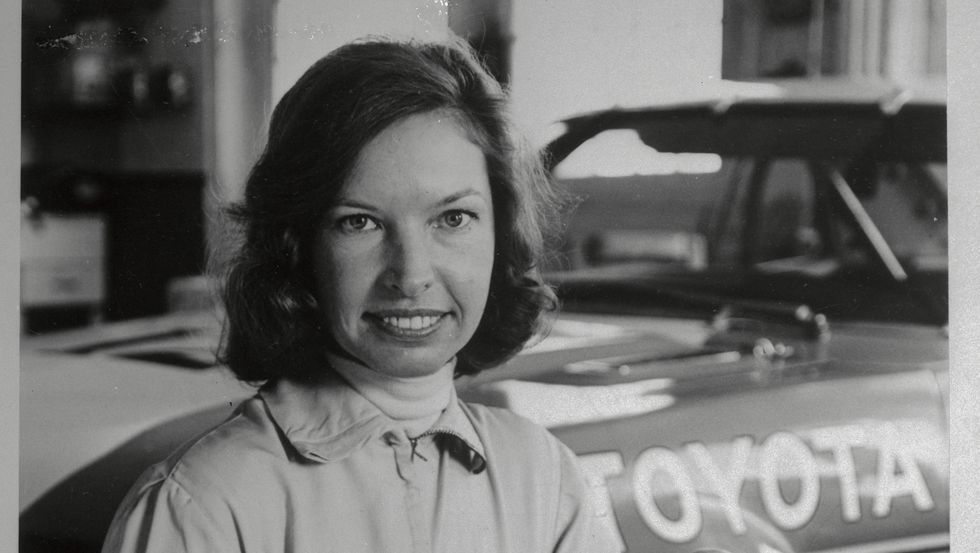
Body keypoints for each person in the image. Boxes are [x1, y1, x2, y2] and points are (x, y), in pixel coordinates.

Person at [102, 36, 613, 553]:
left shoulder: (546, 477)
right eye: (360, 222)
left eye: (453, 218)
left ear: (500, 235)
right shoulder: (204, 505)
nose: (411, 277)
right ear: (296, 245)